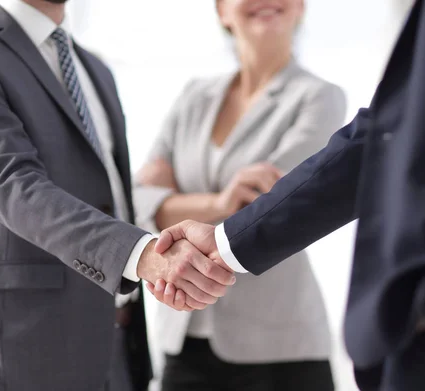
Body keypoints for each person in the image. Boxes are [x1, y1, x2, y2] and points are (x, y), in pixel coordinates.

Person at [149, 1, 425, 390]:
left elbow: (260, 185)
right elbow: (386, 133)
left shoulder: (316, 94)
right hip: (407, 331)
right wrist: (224, 235)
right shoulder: (195, 95)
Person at [0, 0, 235, 390]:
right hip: (23, 354)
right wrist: (144, 255)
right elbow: (14, 188)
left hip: (117, 350)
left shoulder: (95, 69)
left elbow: (112, 197)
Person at [134, 0, 346, 389]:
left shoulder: (319, 97)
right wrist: (217, 203)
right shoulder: (194, 97)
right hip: (184, 337)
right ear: (221, 10)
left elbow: (277, 204)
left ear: (300, 6)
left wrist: (173, 200)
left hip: (279, 344)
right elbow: (137, 199)